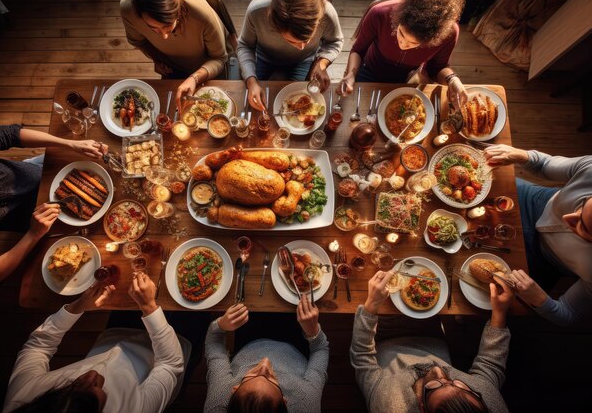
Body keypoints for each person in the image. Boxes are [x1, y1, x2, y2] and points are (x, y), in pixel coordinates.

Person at [3, 273, 190, 412]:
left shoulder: (22, 398)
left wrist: (79, 306)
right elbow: (170, 365)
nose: (91, 374)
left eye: (72, 384)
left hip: (116, 334)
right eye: (94, 388)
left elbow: (37, 346)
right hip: (175, 346)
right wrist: (149, 307)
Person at [350, 270, 514, 413]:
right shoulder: (490, 402)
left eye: (434, 385)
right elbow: (490, 365)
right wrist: (499, 312)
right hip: (434, 336)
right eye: (456, 383)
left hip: (385, 339)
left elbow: (362, 358)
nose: (437, 370)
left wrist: (371, 305)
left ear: (421, 407)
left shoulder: (389, 405)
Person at [0, 125, 106, 288]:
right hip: (37, 221)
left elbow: (10, 134)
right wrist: (33, 234)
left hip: (38, 171)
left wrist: (70, 144)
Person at [484, 144, 592, 326]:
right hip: (533, 201)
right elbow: (545, 164)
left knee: (491, 294)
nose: (567, 217)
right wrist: (522, 155)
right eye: (582, 206)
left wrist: (539, 298)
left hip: (543, 261)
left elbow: (569, 315)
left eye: (583, 227)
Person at [338, 0, 467, 108]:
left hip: (408, 77)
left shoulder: (449, 34)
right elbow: (358, 50)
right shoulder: (380, 14)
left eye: (414, 43)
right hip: (370, 69)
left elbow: (438, 67)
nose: (403, 45)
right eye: (401, 33)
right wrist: (351, 74)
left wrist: (453, 79)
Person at [120, 0, 229, 109]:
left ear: (178, 11)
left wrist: (194, 77)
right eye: (153, 29)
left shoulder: (201, 16)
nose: (164, 36)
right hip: (172, 67)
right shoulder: (127, 9)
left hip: (209, 67)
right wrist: (156, 58)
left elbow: (220, 58)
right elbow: (139, 41)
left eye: (167, 26)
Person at [204, 296, 328, 412]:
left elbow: (214, 341)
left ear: (234, 390)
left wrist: (221, 325)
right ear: (285, 401)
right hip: (298, 343)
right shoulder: (306, 405)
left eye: (252, 376)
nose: (265, 361)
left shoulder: (218, 401)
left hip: (249, 338)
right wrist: (313, 332)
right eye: (271, 379)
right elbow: (320, 349)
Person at [237, 0, 344, 111]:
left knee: (297, 105)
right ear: (274, 25)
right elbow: (245, 45)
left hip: (303, 61)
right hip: (264, 57)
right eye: (291, 41)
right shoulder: (256, 11)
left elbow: (335, 41)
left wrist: (321, 62)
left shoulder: (327, 12)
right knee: (252, 105)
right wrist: (251, 81)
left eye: (308, 39)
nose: (302, 47)